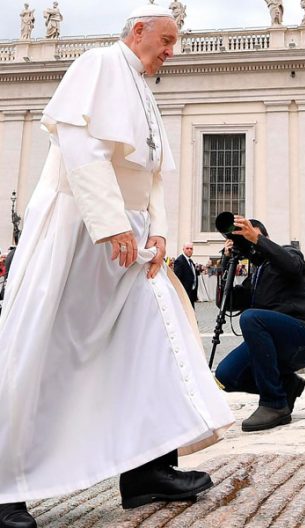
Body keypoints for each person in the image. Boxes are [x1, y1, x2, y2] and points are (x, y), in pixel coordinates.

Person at [0, 5, 234, 527]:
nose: (171, 51)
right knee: (44, 348)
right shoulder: (98, 64)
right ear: (138, 30)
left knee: (153, 341)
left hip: (133, 241)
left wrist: (158, 229)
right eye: (167, 40)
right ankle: (6, 484)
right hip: (80, 230)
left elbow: (152, 173)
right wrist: (109, 223)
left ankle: (148, 468)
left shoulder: (144, 92)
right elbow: (80, 145)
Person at [215, 217, 305, 432]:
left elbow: (293, 267)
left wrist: (257, 240)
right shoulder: (256, 274)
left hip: (304, 336)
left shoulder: (290, 253)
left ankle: (274, 403)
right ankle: (287, 385)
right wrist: (226, 262)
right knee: (225, 376)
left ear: (265, 238)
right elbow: (227, 302)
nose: (250, 242)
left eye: (251, 235)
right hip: (275, 342)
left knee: (251, 317)